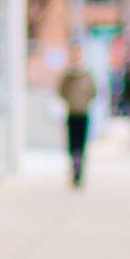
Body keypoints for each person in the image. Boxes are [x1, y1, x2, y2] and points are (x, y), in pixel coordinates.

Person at [57, 42, 97, 186]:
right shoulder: (67, 76)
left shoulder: (87, 75)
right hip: (71, 113)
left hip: (83, 113)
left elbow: (94, 92)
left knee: (82, 144)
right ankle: (73, 169)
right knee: (71, 144)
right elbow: (61, 92)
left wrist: (84, 103)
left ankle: (80, 171)